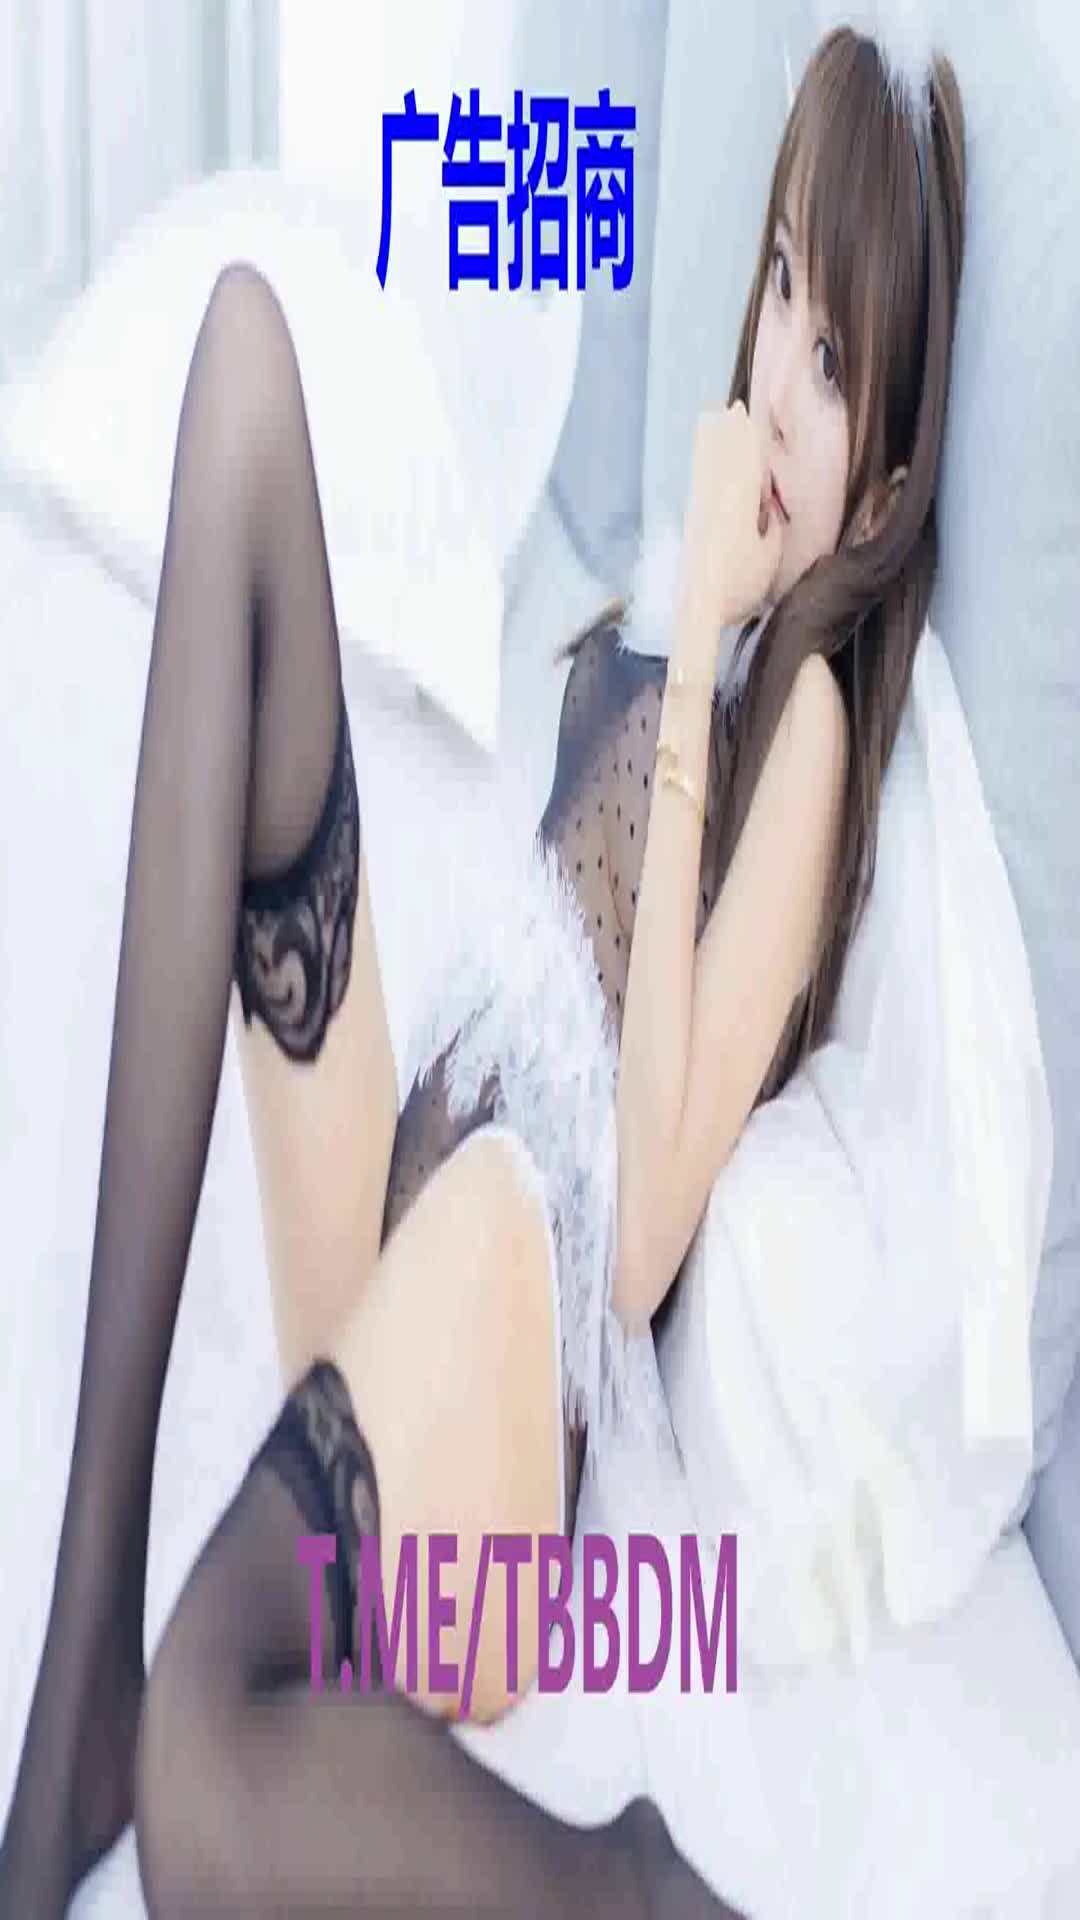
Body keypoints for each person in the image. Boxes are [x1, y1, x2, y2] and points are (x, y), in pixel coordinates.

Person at [0, 22, 965, 1917]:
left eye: (836, 365)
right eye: (781, 284)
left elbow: (643, 1230)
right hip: (416, 1192)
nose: (775, 377)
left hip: (523, 1331)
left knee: (210, 1759)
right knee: (244, 368)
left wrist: (706, 641)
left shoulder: (811, 716)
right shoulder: (704, 604)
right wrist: (684, 614)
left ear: (887, 482)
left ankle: (627, 1882)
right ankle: (86, 1621)